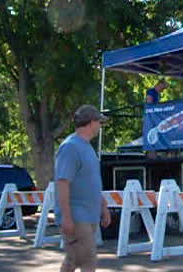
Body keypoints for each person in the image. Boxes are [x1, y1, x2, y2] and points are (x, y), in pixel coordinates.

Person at [56, 105, 111, 272]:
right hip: (77, 215)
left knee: (73, 260)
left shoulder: (87, 148)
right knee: (88, 260)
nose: (100, 127)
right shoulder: (70, 147)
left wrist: (104, 207)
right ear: (91, 122)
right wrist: (66, 217)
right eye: (99, 122)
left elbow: (91, 182)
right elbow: (63, 183)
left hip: (89, 215)